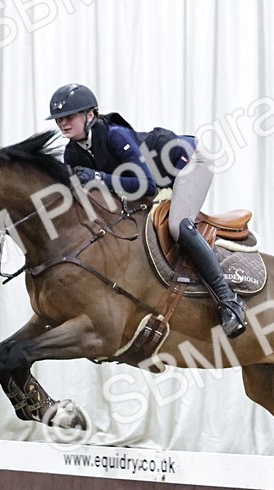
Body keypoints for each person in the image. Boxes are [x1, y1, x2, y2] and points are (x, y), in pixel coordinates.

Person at [46, 83, 247, 338]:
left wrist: (98, 177)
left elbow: (146, 186)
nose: (63, 123)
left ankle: (229, 301)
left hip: (189, 161)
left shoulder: (115, 135)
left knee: (178, 225)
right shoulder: (72, 152)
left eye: (69, 116)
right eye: (59, 119)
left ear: (90, 115)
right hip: (159, 176)